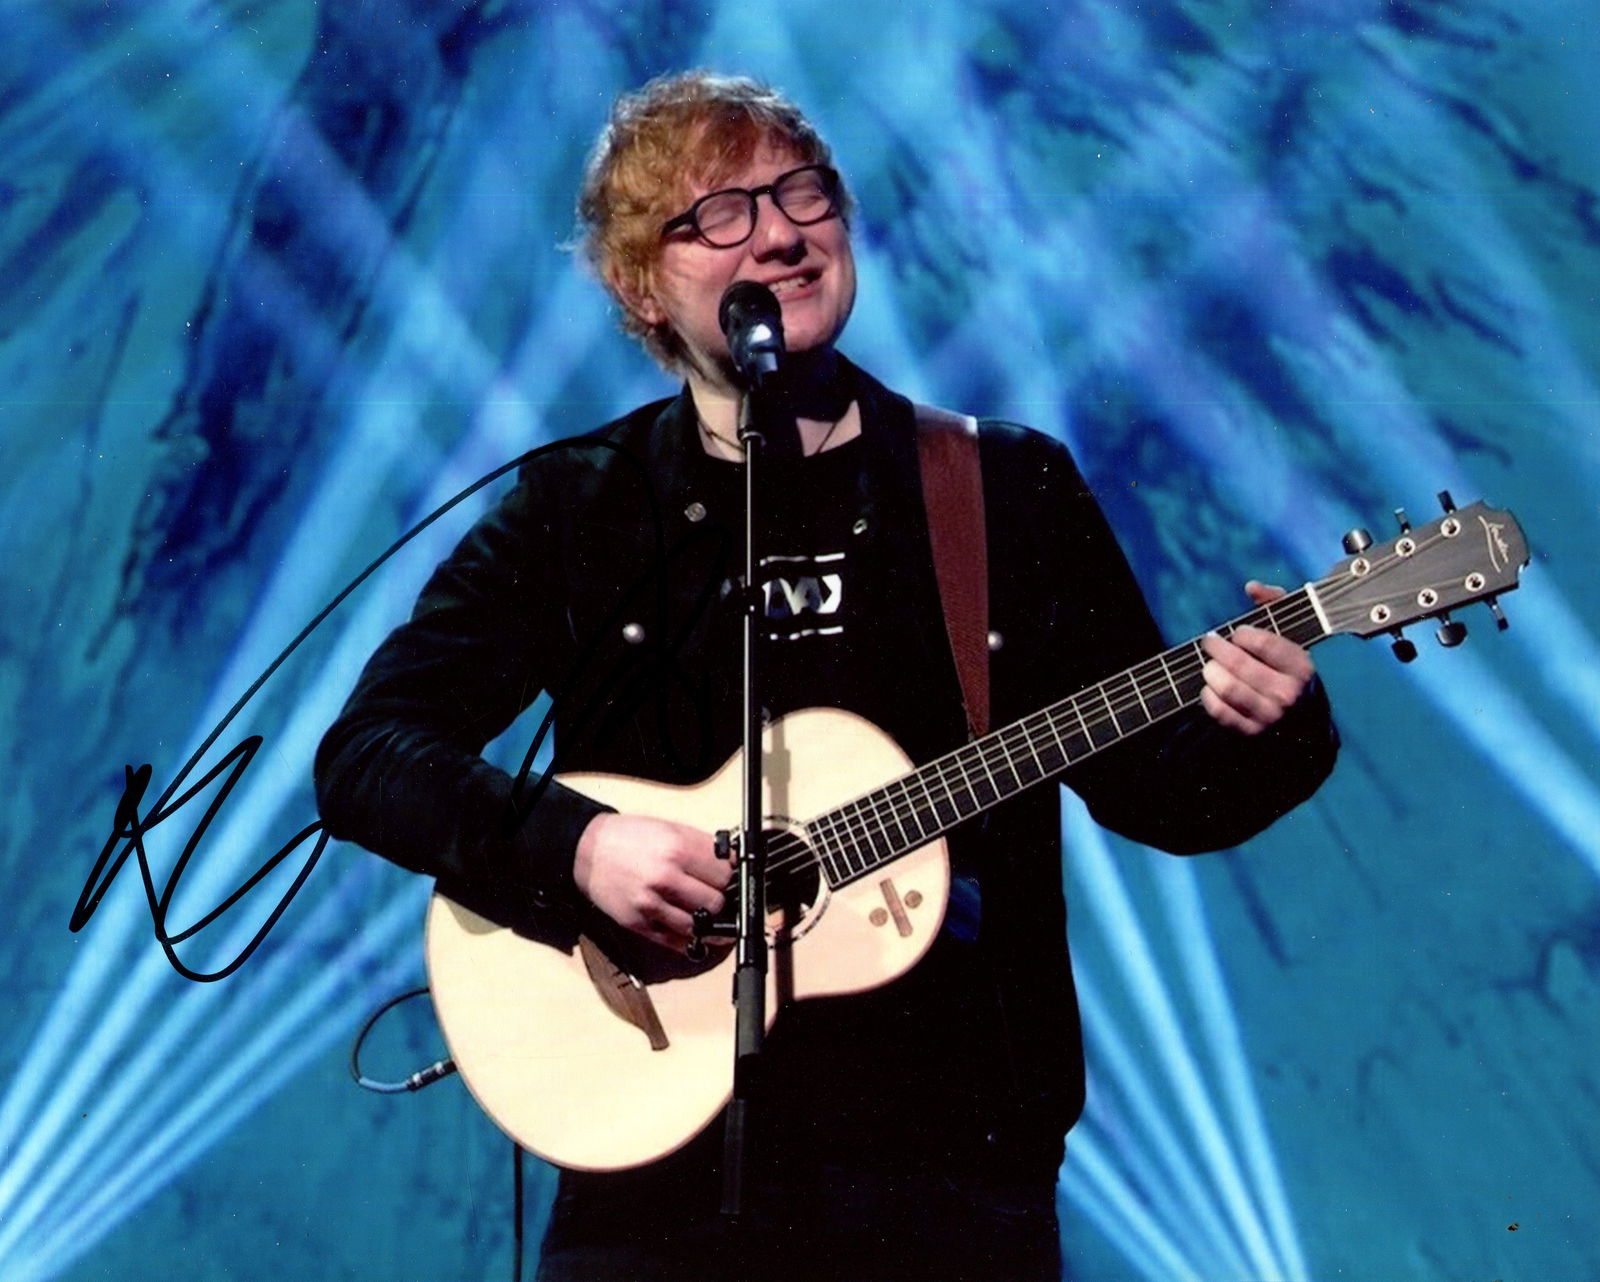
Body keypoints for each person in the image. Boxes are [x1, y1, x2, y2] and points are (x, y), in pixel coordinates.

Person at [315, 71, 1338, 1282]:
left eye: (803, 194)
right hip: (650, 1177)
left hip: (949, 1177)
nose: (786, 235)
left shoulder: (999, 488)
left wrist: (1267, 724)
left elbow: (1157, 793)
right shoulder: (577, 508)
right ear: (644, 284)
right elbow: (369, 755)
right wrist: (579, 845)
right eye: (723, 213)